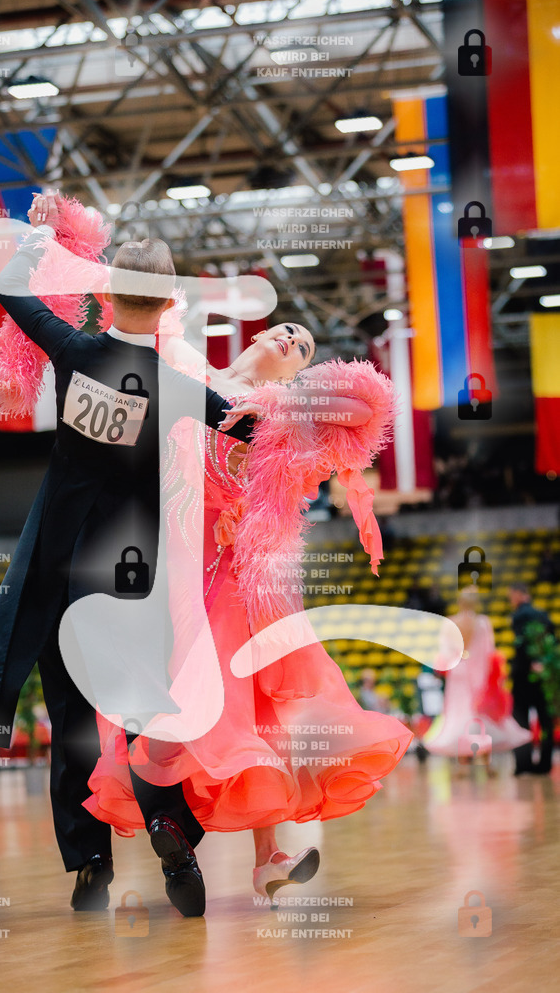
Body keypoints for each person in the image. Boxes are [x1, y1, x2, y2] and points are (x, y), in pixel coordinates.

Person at [0, 191, 257, 917]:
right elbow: (252, 427)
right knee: (143, 714)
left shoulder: (75, 351)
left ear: (106, 296)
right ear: (165, 310)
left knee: (69, 718)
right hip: (131, 577)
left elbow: (10, 289)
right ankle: (170, 830)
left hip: (60, 567)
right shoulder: (178, 387)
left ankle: (89, 864)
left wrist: (23, 240)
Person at [85, 284, 414, 903]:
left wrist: (310, 397)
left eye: (305, 346)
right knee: (187, 706)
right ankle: (175, 827)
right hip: (177, 564)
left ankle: (267, 856)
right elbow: (135, 327)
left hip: (245, 580)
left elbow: (360, 409)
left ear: (298, 369)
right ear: (262, 335)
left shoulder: (288, 412)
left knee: (259, 710)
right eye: (288, 330)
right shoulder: (190, 370)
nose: (293, 339)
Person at [424, 588, 531, 776]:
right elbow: (489, 652)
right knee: (481, 717)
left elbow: (445, 653)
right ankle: (486, 765)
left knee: (460, 718)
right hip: (479, 675)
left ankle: (462, 766)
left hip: (458, 675)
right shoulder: (483, 622)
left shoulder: (451, 623)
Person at [508, 582, 555, 775]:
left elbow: (522, 644)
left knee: (521, 719)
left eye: (511, 596)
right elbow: (553, 643)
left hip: (523, 677)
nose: (510, 601)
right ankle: (545, 764)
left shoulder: (519, 616)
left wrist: (530, 662)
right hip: (544, 677)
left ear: (519, 594)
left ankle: (523, 764)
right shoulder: (544, 615)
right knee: (546, 721)